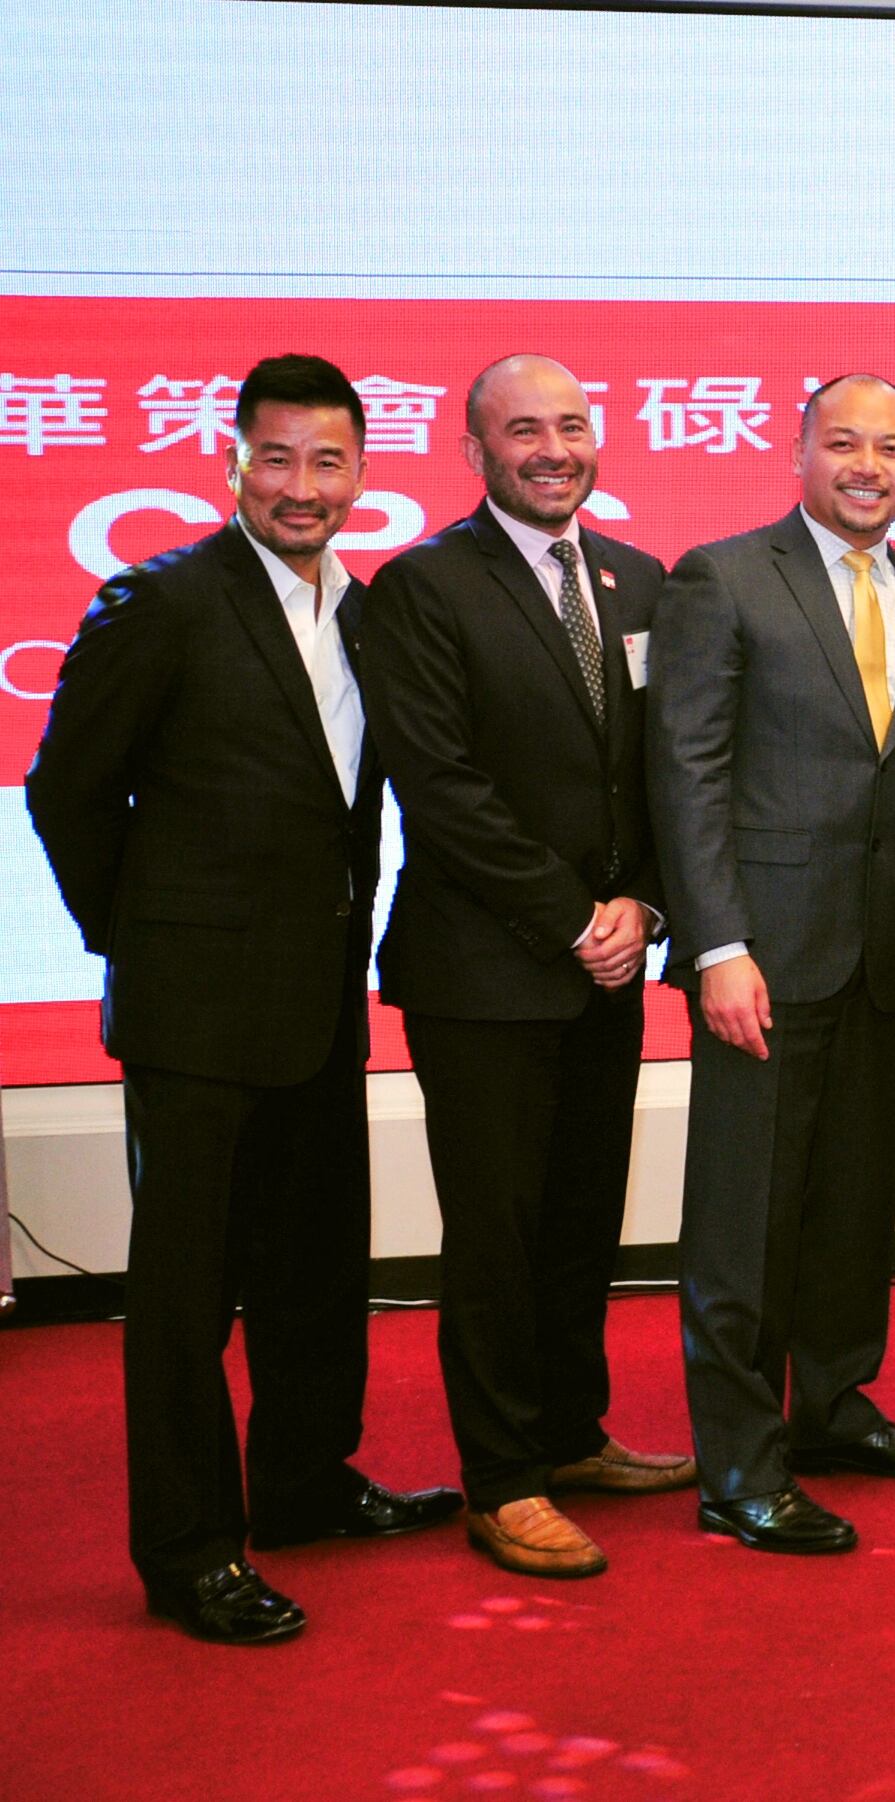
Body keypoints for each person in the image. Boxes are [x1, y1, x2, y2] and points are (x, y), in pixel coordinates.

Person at [25, 353, 459, 1644]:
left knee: (315, 1272)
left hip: (320, 1002)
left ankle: (305, 1487)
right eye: (276, 459)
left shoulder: (367, 615)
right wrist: (141, 941)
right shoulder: (162, 601)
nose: (300, 487)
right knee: (186, 1302)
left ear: (363, 475)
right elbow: (67, 790)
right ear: (231, 467)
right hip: (194, 1016)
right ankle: (189, 1551)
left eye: (328, 462)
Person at [360, 354, 695, 1579]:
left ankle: (568, 1433)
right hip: (485, 971)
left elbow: (667, 769)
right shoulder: (424, 585)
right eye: (522, 430)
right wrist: (573, 918)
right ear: (474, 450)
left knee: (581, 1217)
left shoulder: (640, 580)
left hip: (610, 959)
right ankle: (503, 1480)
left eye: (571, 424)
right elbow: (441, 786)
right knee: (496, 1233)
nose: (552, 449)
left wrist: (642, 904)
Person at [649, 374, 895, 1554]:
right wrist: (718, 945)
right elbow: (686, 773)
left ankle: (832, 1410)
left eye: (892, 447)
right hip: (763, 960)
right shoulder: (723, 578)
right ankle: (739, 1465)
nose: (868, 466)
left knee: (847, 1209)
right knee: (743, 1221)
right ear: (799, 453)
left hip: (876, 954)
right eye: (845, 443)